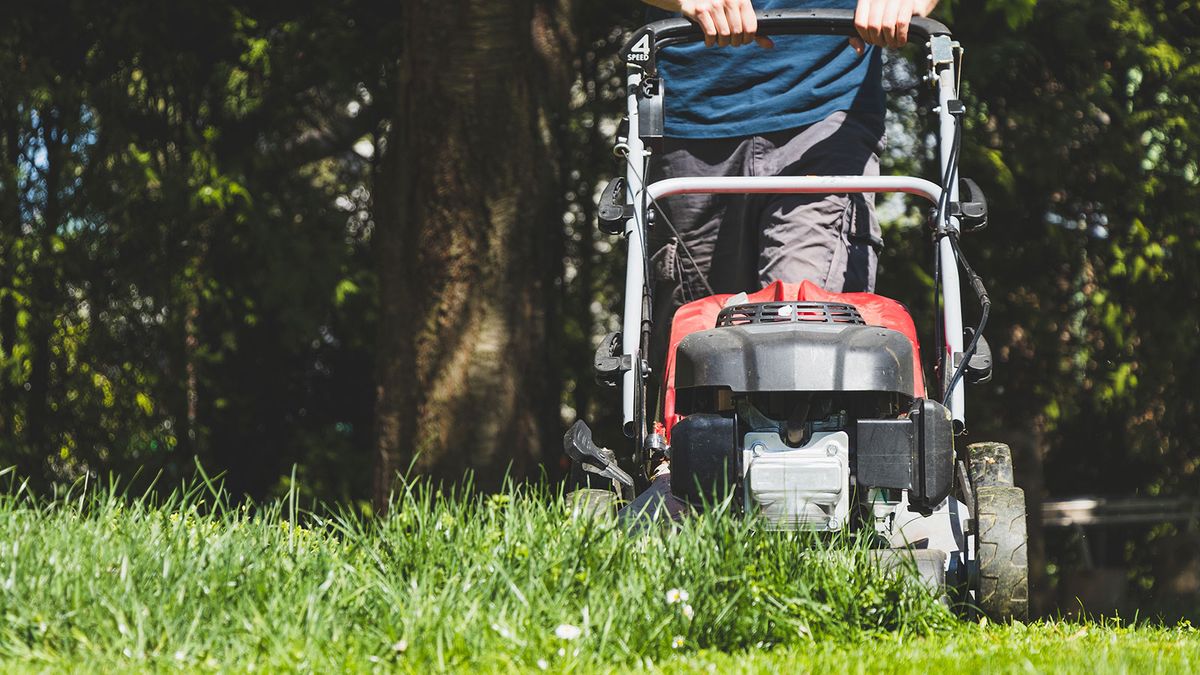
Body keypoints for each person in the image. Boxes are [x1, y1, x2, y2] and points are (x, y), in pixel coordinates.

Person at [619, 0, 939, 517]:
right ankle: (692, 514)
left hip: (825, 109)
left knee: (806, 323)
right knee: (700, 345)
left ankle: (824, 513)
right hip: (694, 115)